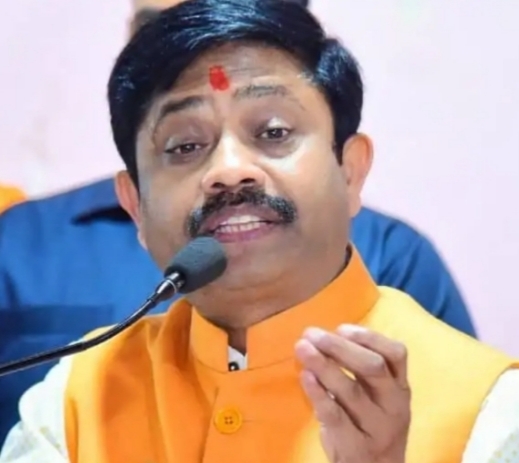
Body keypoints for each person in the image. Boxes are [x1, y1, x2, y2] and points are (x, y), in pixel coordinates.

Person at [1, 1, 517, 462]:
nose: (229, 170)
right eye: (184, 146)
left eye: (273, 132)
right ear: (135, 205)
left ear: (350, 171)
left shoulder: (488, 410)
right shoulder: (74, 398)